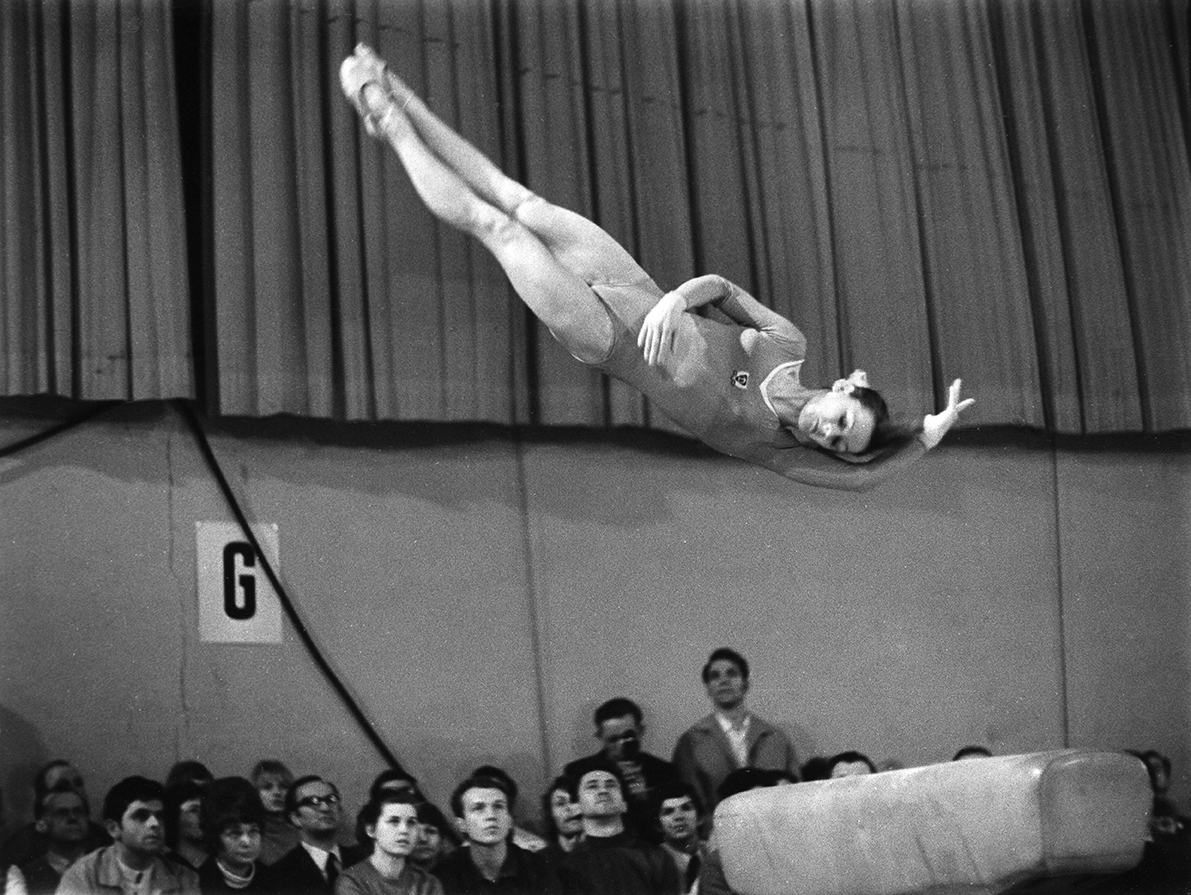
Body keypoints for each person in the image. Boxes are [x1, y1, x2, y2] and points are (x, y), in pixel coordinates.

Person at [338, 44, 974, 492]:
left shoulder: (773, 450)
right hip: (638, 287)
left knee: (495, 227)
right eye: (841, 423)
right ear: (844, 387)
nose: (827, 435)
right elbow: (721, 289)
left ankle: (387, 119)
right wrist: (673, 300)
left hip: (607, 339)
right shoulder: (788, 345)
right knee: (517, 198)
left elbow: (865, 485)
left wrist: (926, 435)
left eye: (837, 444)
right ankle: (399, 94)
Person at [672, 649, 797, 817]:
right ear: (708, 688)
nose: (724, 680)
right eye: (715, 676)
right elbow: (691, 801)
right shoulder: (691, 741)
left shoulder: (775, 737)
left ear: (746, 683)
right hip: (718, 832)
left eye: (732, 674)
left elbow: (796, 793)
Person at [56, 776, 200, 895]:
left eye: (160, 816)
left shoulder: (184, 879)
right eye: (141, 816)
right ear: (113, 829)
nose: (154, 823)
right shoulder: (84, 876)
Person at [564, 700, 679, 843]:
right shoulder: (579, 772)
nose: (621, 745)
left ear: (641, 731)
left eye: (628, 736)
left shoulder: (663, 771)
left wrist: (646, 798)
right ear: (600, 736)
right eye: (613, 740)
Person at [561, 763, 682, 895]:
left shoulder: (655, 857)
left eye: (610, 785)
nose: (603, 791)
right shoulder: (569, 865)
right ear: (577, 806)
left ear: (624, 804)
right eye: (592, 786)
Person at [432, 774, 562, 895]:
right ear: (462, 824)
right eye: (478, 808)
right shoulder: (445, 873)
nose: (491, 816)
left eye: (498, 807)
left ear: (510, 820)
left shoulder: (537, 868)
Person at [0, 762, 109, 872]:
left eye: (78, 783)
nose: (74, 789)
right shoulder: (19, 848)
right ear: (43, 796)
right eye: (61, 785)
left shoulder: (105, 840)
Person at [271, 777, 365, 895]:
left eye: (331, 799)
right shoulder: (281, 874)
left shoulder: (364, 861)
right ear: (295, 818)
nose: (325, 808)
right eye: (313, 801)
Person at [335, 792, 440, 895]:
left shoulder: (428, 883)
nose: (404, 830)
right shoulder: (352, 881)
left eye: (411, 822)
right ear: (371, 830)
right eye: (394, 821)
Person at [196, 777, 275, 894]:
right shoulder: (196, 882)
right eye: (235, 833)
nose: (247, 842)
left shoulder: (274, 880)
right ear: (215, 836)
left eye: (253, 831)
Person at [17, 789, 93, 895]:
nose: (72, 818)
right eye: (62, 813)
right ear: (42, 824)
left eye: (78, 811)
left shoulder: (106, 867)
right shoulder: (26, 877)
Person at [652, 784, 706, 895]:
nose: (678, 817)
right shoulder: (652, 863)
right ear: (658, 825)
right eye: (668, 812)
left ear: (700, 818)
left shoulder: (714, 852)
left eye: (686, 808)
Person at [249, 762, 298, 867]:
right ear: (256, 793)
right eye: (267, 787)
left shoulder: (302, 832)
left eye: (284, 786)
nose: (277, 792)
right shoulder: (252, 833)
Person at [164, 783, 207, 871]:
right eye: (194, 810)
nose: (203, 815)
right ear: (174, 817)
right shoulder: (165, 866)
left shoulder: (221, 864)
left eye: (205, 809)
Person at [538, 779, 581, 857]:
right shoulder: (540, 859)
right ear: (550, 814)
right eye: (560, 803)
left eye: (574, 801)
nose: (569, 807)